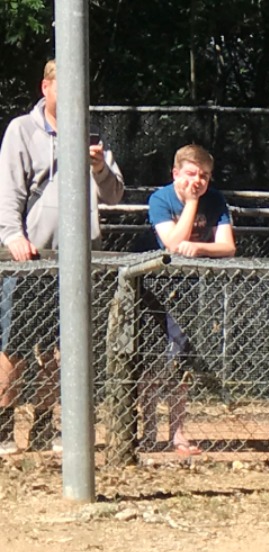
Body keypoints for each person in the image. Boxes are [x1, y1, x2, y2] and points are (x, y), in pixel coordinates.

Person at [0, 59, 124, 455]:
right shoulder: (22, 130)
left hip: (79, 261)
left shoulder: (93, 135)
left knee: (64, 349)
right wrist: (12, 236)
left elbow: (114, 194)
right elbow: (9, 191)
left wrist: (100, 168)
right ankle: (3, 428)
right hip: (31, 259)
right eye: (63, 85)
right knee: (14, 346)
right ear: (45, 87)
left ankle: (46, 425)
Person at [144, 143, 236, 455]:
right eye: (191, 174)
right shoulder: (160, 199)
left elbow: (227, 247)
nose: (197, 181)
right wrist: (193, 202)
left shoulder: (216, 199)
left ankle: (178, 432)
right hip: (153, 286)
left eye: (204, 176)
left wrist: (200, 248)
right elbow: (172, 243)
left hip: (191, 289)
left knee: (181, 358)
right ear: (175, 173)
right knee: (151, 359)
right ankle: (148, 430)